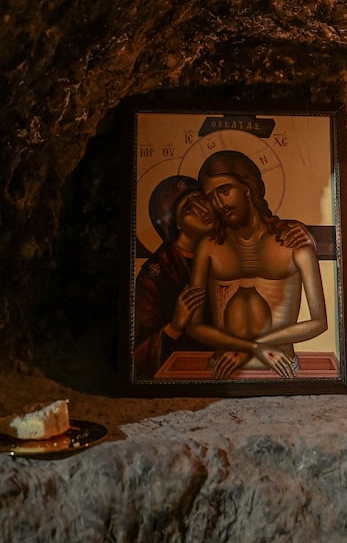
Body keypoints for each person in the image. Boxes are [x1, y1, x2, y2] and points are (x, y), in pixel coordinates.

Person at [185, 150, 329, 379]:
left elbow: (319, 322)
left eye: (224, 191)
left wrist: (258, 344)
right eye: (211, 196)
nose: (219, 203)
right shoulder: (209, 246)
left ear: (248, 187)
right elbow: (192, 326)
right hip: (223, 368)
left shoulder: (293, 238)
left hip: (281, 366)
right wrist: (252, 348)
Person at [133, 176, 213, 377]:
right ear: (176, 224)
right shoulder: (156, 275)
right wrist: (175, 325)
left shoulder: (231, 248)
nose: (203, 210)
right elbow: (136, 358)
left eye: (201, 199)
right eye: (188, 209)